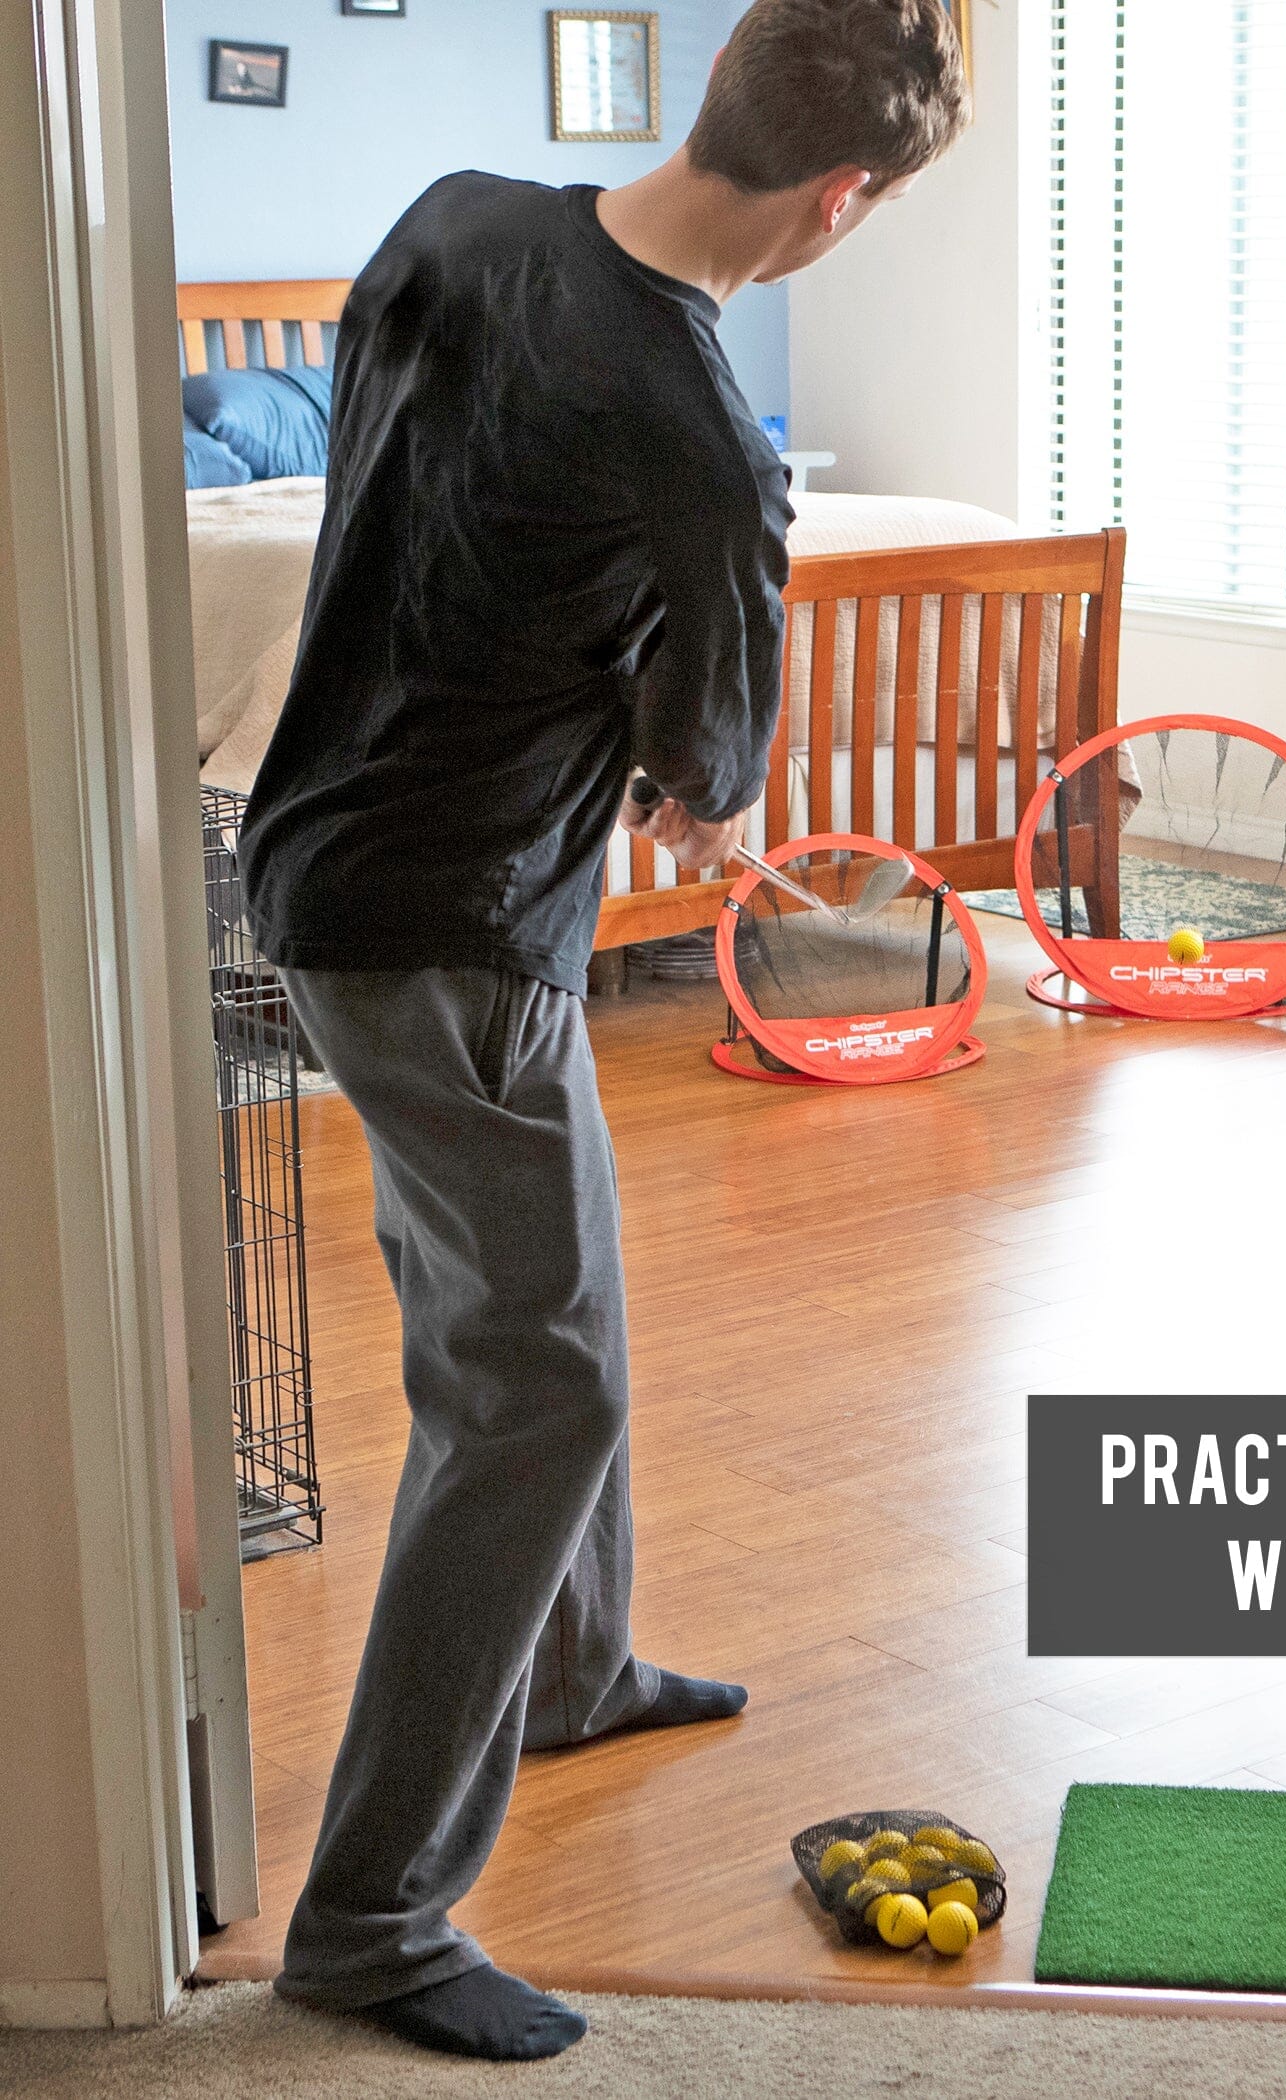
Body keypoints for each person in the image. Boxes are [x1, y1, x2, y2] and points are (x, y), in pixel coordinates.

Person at [236, 0, 968, 2063]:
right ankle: (374, 1916)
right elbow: (719, 783)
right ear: (843, 198)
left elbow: (406, 473)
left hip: (329, 848)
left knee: (550, 1313)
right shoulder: (707, 446)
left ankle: (575, 1668)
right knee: (529, 1385)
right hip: (450, 925)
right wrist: (679, 758)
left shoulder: (454, 220)